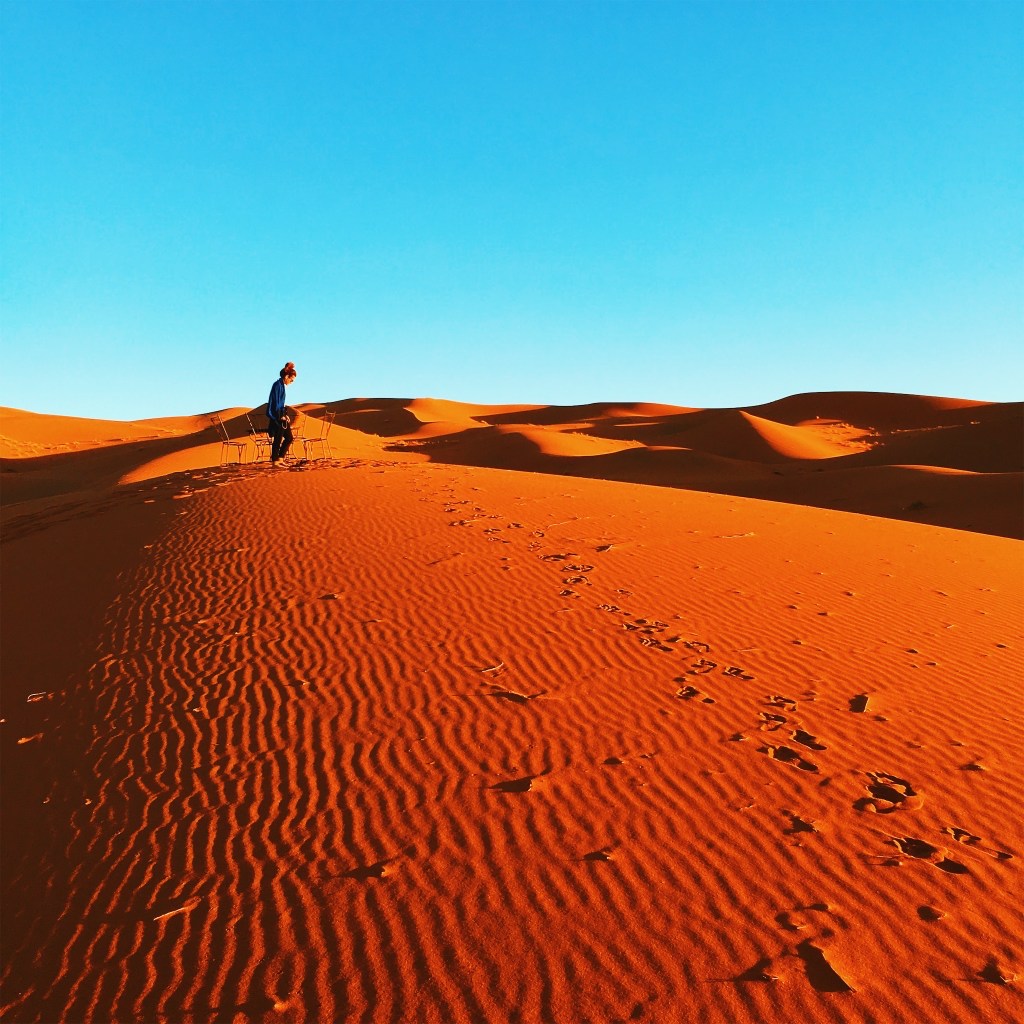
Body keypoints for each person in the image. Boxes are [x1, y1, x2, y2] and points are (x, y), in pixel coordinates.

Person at [267, 361, 297, 463]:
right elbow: (274, 403)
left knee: (289, 438)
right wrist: (280, 416)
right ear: (286, 376)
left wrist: (285, 415)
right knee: (278, 439)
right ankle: (275, 460)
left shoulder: (281, 386)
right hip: (276, 417)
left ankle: (280, 458)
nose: (291, 382)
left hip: (281, 415)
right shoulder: (277, 385)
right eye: (291, 380)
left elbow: (281, 404)